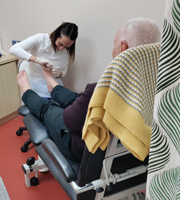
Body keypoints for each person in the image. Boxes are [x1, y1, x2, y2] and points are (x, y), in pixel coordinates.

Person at [17, 18, 161, 162]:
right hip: (127, 158)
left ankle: (27, 90)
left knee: (49, 108)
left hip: (81, 148)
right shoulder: (156, 90)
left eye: (114, 43)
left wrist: (29, 88)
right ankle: (53, 86)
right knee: (80, 99)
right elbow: (87, 102)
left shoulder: (106, 90)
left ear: (123, 47)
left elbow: (69, 120)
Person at [10, 22, 78, 99]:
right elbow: (13, 49)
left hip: (55, 89)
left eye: (66, 47)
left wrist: (60, 73)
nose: (62, 48)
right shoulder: (40, 39)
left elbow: (65, 68)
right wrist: (37, 60)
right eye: (61, 44)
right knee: (51, 109)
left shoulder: (66, 51)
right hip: (36, 90)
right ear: (56, 34)